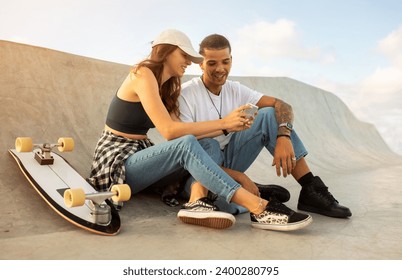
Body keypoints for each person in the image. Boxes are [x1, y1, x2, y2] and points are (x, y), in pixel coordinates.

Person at [87, 29, 312, 231]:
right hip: (119, 160)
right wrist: (225, 124)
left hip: (142, 154)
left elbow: (187, 133)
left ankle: (200, 202)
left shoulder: (168, 87)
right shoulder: (142, 73)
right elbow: (170, 131)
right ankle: (259, 207)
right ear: (166, 51)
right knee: (187, 143)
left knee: (206, 144)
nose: (189, 62)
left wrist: (227, 133)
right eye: (184, 56)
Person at [179, 33, 352, 219]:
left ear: (231, 60)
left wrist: (283, 136)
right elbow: (187, 152)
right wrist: (240, 176)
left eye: (226, 62)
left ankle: (310, 188)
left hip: (229, 160)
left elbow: (282, 105)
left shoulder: (235, 89)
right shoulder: (187, 94)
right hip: (198, 172)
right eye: (212, 63)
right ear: (201, 63)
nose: (220, 68)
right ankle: (254, 193)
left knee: (269, 113)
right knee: (219, 199)